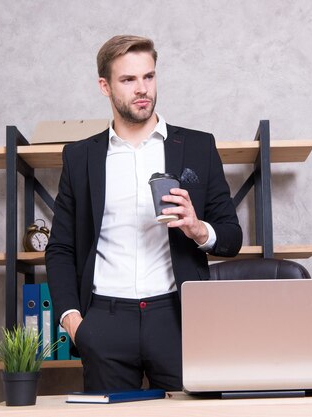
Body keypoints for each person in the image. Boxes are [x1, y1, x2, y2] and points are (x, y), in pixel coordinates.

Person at [45, 35, 242, 392]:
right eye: (128, 80)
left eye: (149, 77)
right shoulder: (80, 157)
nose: (142, 90)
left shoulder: (198, 146)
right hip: (104, 321)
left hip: (177, 318)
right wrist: (73, 321)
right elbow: (60, 248)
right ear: (104, 86)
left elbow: (232, 238)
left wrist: (199, 230)